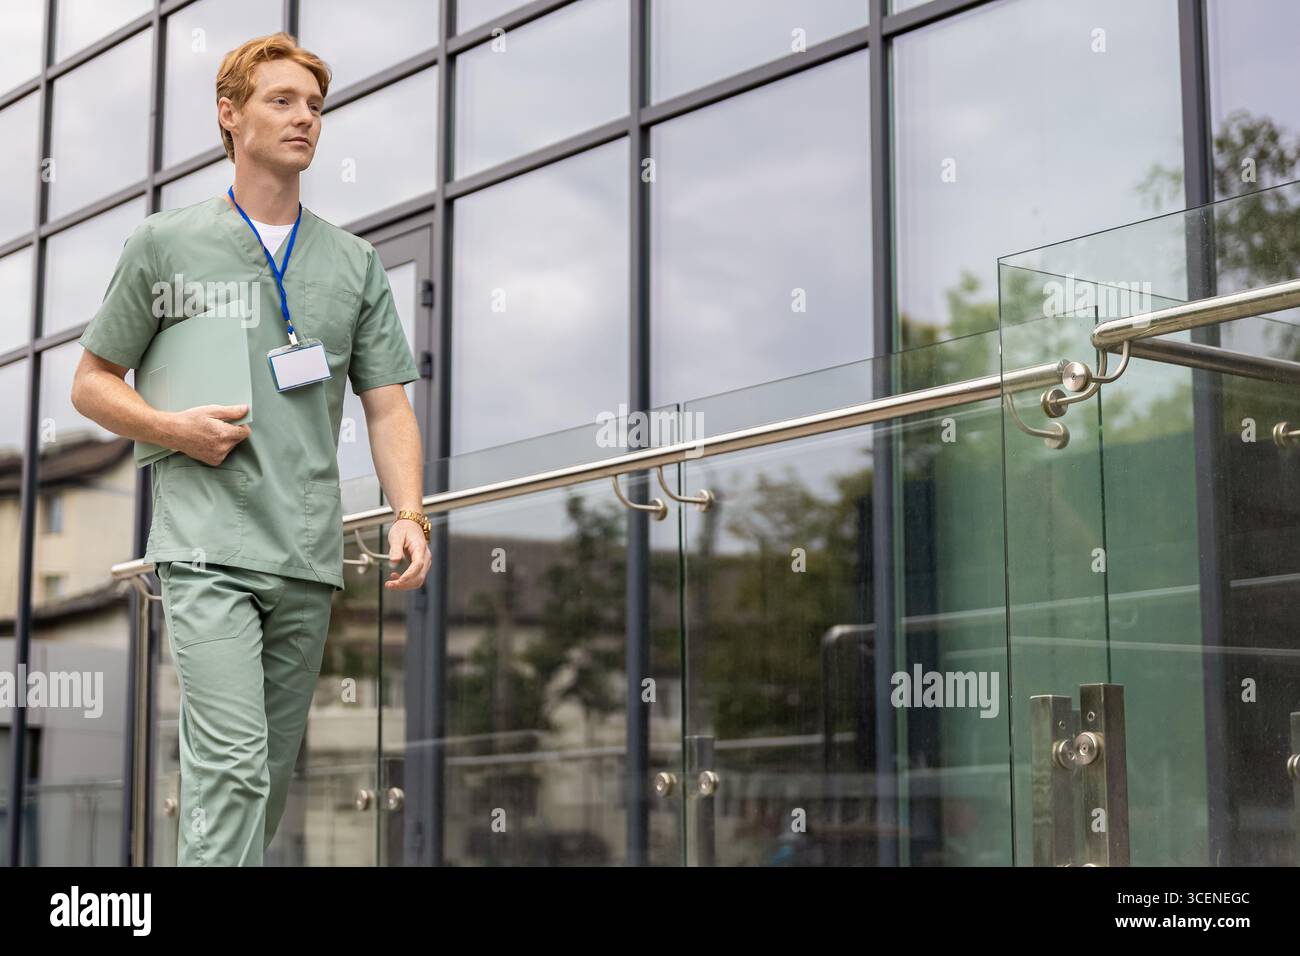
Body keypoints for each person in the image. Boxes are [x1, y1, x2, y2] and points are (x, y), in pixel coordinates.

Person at [69, 33, 433, 866]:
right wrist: (173, 429)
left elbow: (386, 407)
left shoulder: (354, 263)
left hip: (305, 553)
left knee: (260, 779)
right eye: (282, 100)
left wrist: (408, 511)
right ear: (230, 117)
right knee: (231, 767)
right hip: (207, 548)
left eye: (314, 104)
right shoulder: (165, 244)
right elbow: (91, 383)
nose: (305, 117)